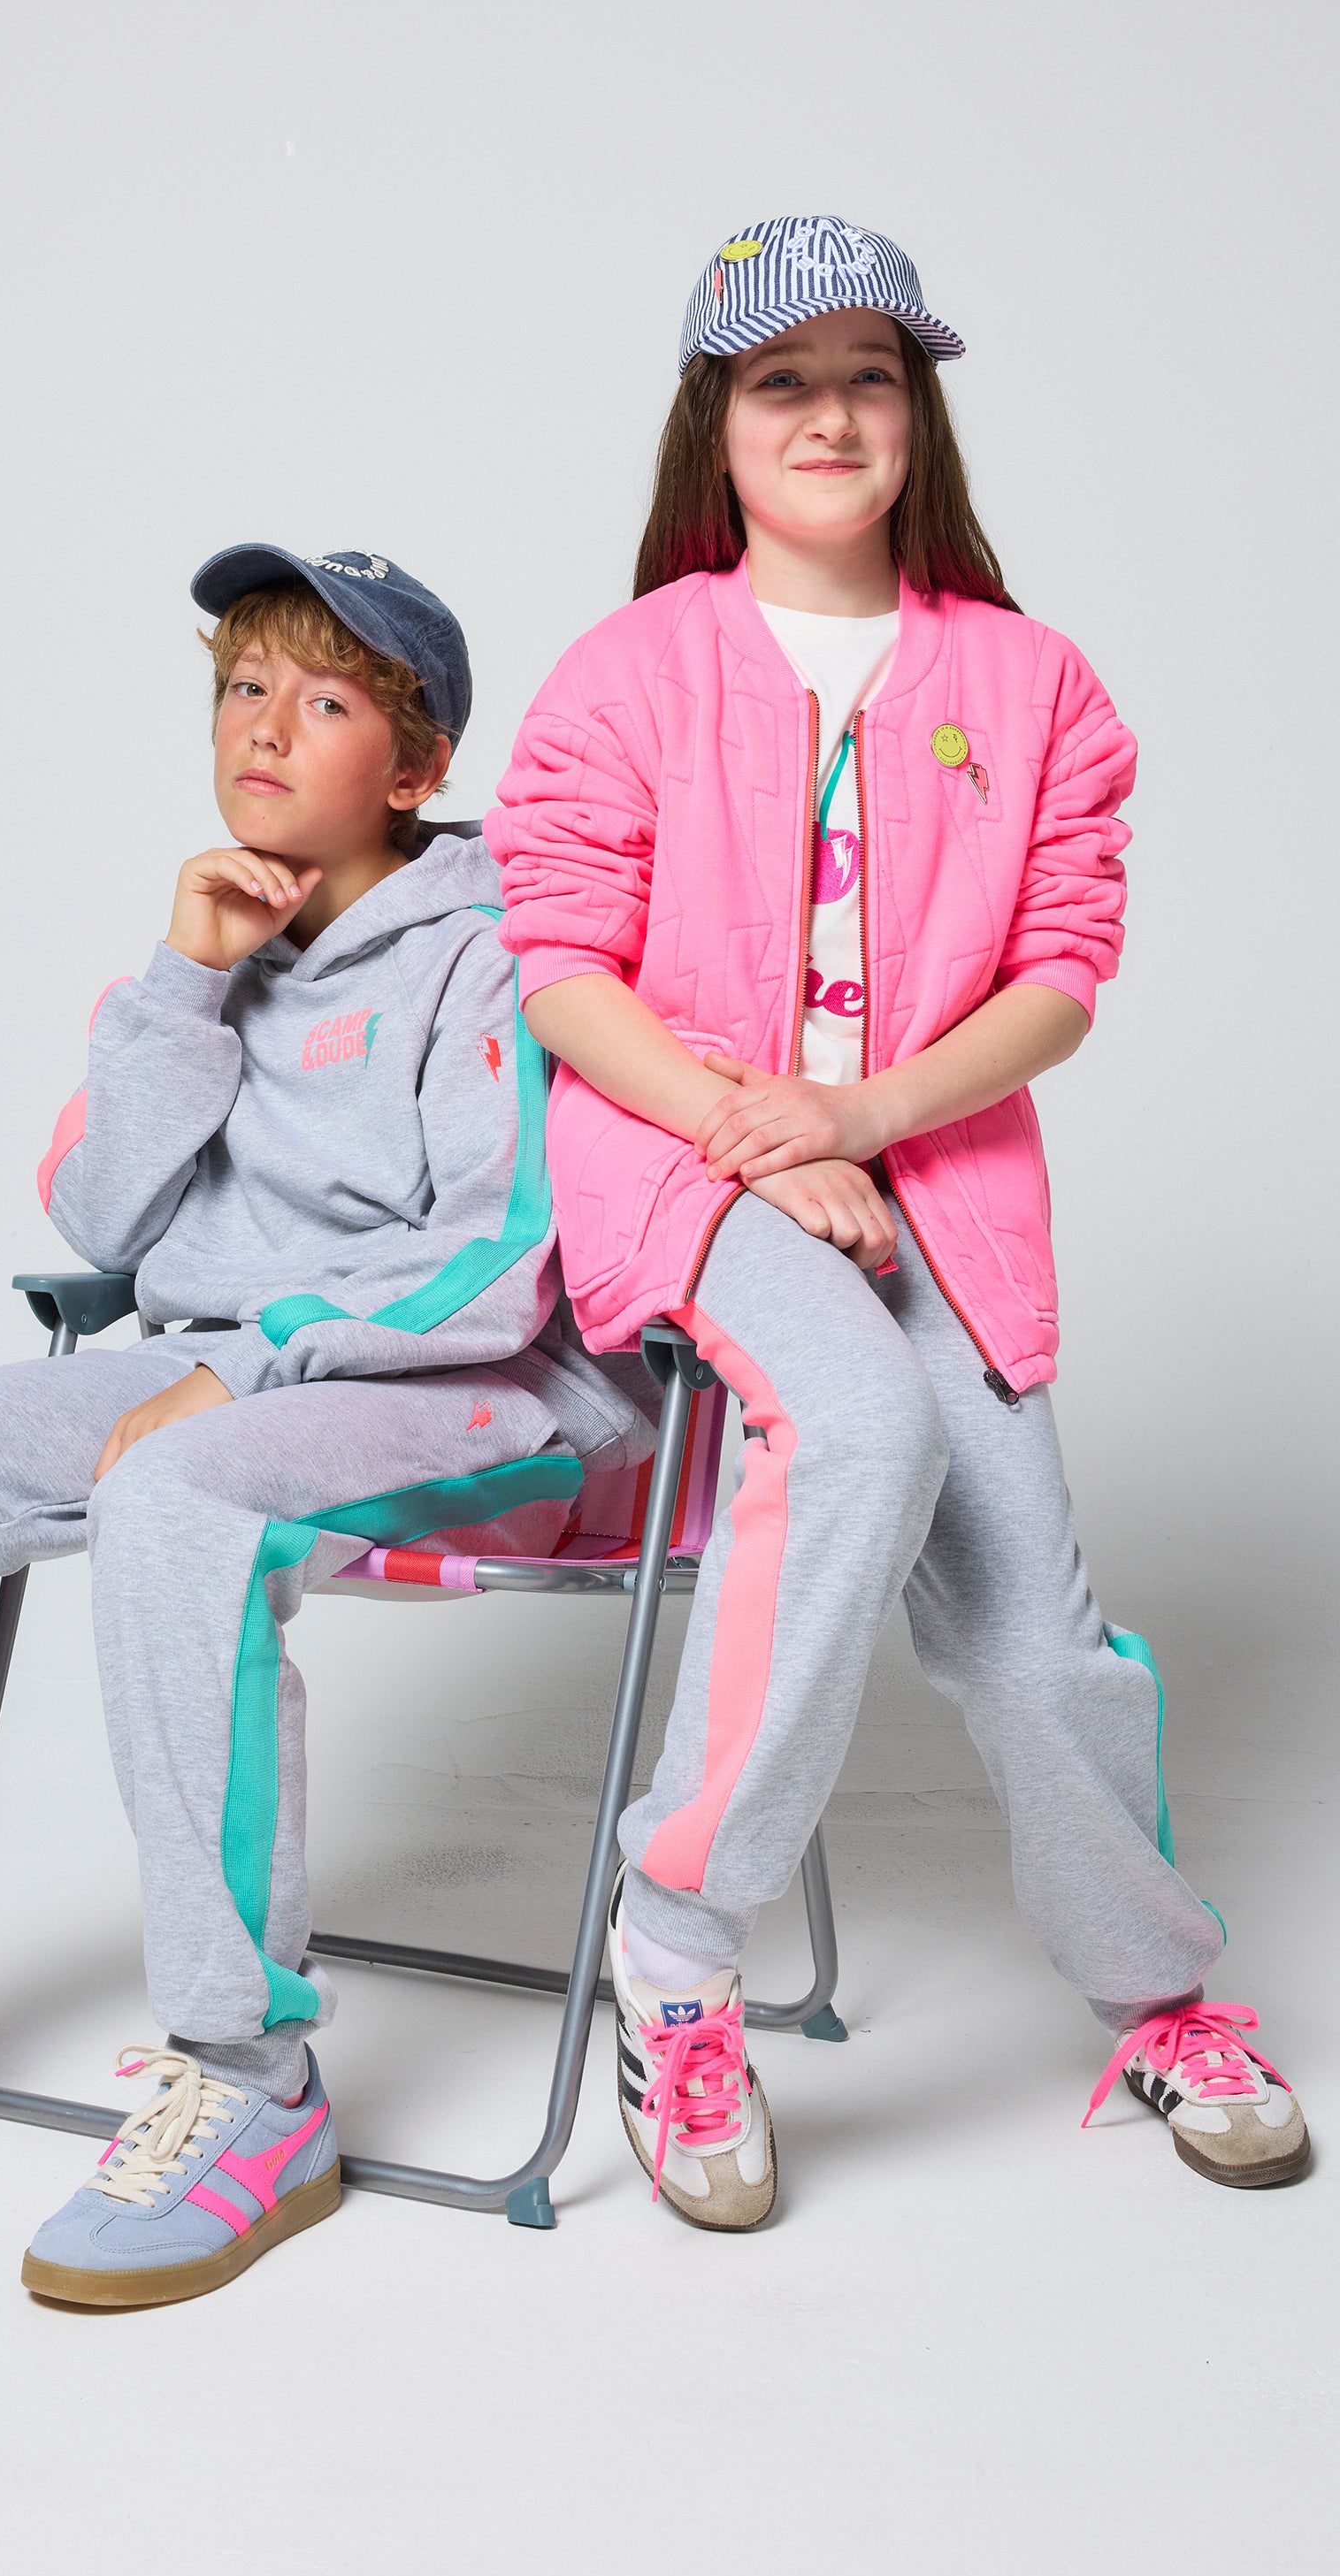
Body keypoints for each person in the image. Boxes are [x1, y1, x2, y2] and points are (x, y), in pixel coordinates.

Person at [0, 545, 645, 2301]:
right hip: (226, 1373)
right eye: (243, 688)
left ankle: (248, 2083)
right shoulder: (206, 950)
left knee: (183, 1497)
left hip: (485, 1397)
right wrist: (185, 981)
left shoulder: (506, 951)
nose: (266, 729)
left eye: (325, 700)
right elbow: (103, 1220)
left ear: (417, 763)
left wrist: (256, 1365)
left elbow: (503, 1262)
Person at [487, 216, 1309, 2230]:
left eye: (871, 375)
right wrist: (758, 1134)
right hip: (681, 1159)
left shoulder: (1032, 681)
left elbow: (1061, 973)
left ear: (919, 414)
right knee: (854, 1425)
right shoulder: (628, 668)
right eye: (783, 379)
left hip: (933, 1178)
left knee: (1033, 1630)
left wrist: (859, 1115)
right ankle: (679, 1950)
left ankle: (1156, 1996)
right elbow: (566, 968)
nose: (832, 414)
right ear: (715, 421)